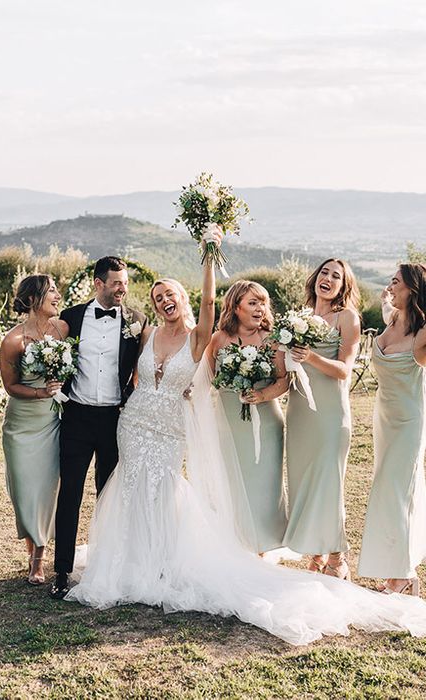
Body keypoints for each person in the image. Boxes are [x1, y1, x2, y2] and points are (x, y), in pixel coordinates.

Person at [67, 246, 426, 646]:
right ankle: (133, 559)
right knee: (133, 490)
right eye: (156, 297)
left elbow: (283, 377)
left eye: (171, 294)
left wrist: (208, 252)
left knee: (224, 487)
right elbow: (140, 370)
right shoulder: (154, 334)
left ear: (185, 300)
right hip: (137, 422)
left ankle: (316, 555)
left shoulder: (229, 335)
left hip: (234, 423)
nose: (164, 300)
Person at [49, 256, 146, 599]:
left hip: (115, 419)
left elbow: (144, 367)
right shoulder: (71, 318)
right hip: (76, 416)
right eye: (117, 283)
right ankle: (61, 571)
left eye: (126, 283)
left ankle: (108, 567)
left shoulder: (137, 321)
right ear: (98, 283)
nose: (123, 289)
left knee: (109, 496)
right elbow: (49, 352)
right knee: (70, 494)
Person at [283, 259, 361, 578]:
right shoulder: (298, 317)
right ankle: (315, 555)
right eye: (324, 272)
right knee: (303, 483)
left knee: (329, 484)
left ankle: (337, 557)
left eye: (336, 276)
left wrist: (312, 357)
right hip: (300, 410)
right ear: (315, 278)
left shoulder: (348, 317)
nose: (327, 278)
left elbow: (344, 370)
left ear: (344, 286)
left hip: (330, 414)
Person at [205, 281, 289, 554]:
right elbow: (208, 377)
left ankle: (260, 546)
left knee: (262, 487)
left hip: (264, 423)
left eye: (263, 302)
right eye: (253, 302)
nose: (260, 308)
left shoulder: (272, 339)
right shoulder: (219, 339)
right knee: (229, 483)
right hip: (227, 424)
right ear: (235, 306)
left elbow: (283, 380)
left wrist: (261, 396)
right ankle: (233, 543)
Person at [358, 263, 426, 595]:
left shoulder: (423, 332)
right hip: (383, 418)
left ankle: (403, 574)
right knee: (386, 491)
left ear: (413, 289)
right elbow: (386, 301)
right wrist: (385, 297)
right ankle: (398, 571)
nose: (390, 286)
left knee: (399, 492)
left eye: (396, 282)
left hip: (409, 421)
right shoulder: (391, 318)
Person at [0, 275, 69, 584]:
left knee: (44, 489)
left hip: (51, 421)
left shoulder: (64, 329)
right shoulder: (12, 341)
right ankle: (32, 551)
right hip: (21, 424)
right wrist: (41, 392)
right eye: (50, 291)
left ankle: (38, 558)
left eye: (56, 289)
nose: (57, 295)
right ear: (31, 300)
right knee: (24, 491)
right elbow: (10, 386)